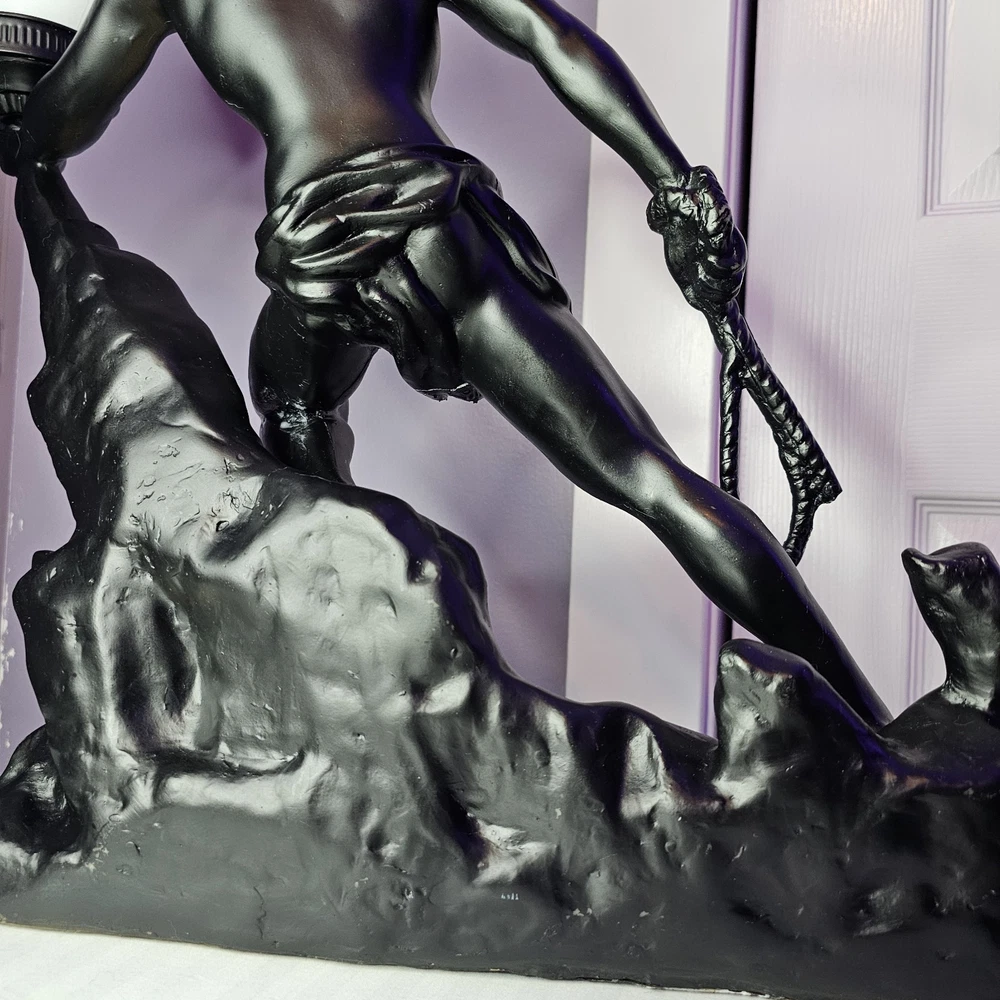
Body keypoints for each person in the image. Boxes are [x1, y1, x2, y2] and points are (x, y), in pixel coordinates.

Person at [11, 0, 889, 726]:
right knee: (643, 475)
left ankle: (348, 686)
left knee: (292, 413)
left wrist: (23, 96)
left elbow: (60, 121)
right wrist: (675, 184)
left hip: (319, 250)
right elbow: (551, 35)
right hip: (433, 218)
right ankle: (878, 729)